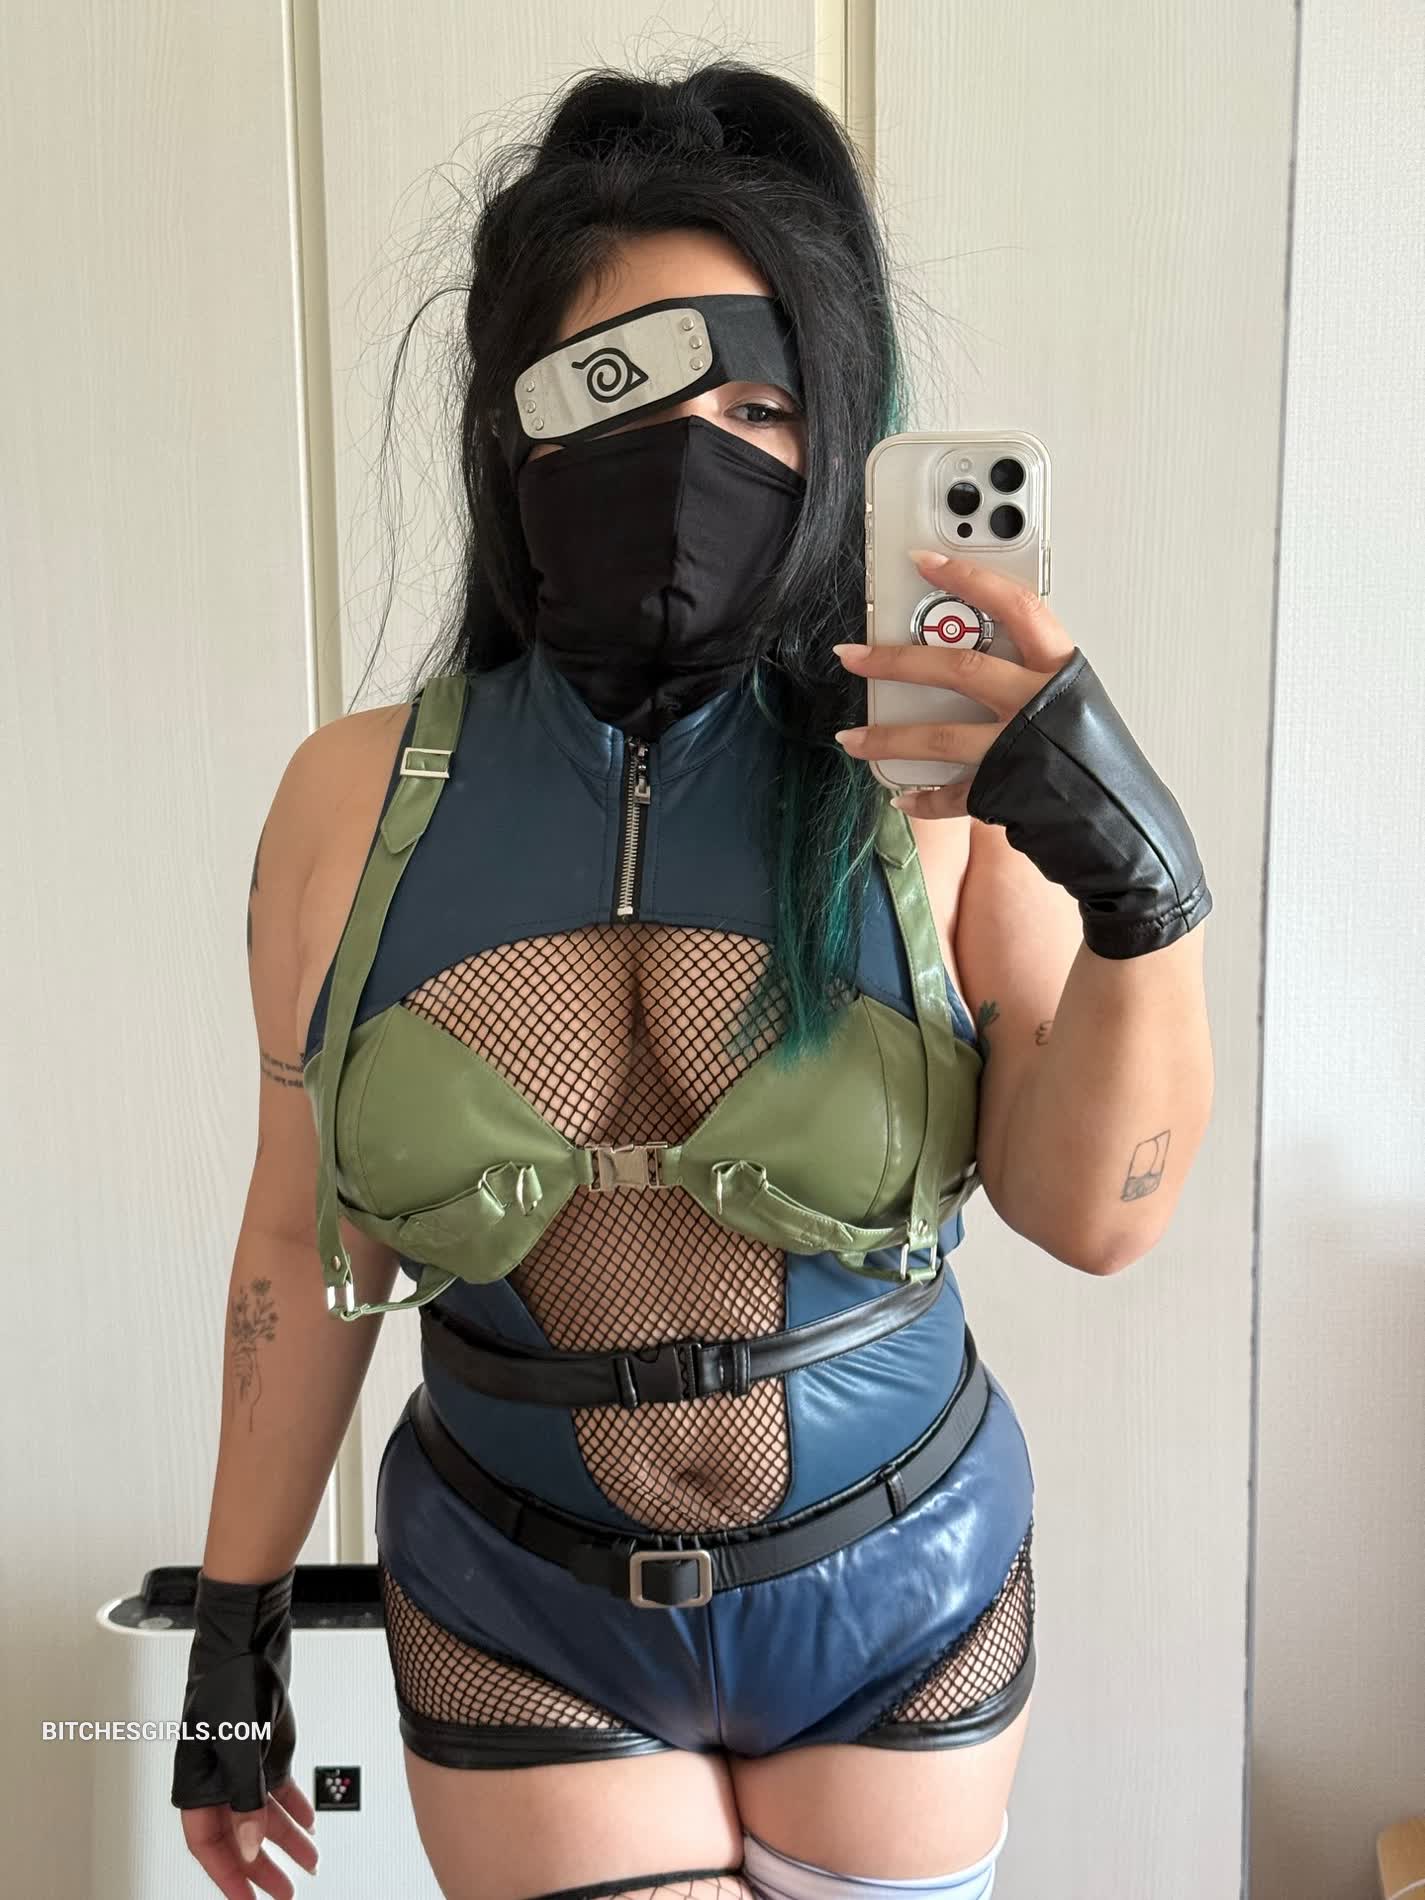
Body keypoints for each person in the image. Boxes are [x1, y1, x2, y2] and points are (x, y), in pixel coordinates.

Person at [170, 59, 1213, 1900]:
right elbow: (295, 1241)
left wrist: (1137, 888)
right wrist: (231, 1628)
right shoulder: (355, 800)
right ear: (509, 424)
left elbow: (1096, 1219)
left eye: (758, 402)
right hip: (519, 1610)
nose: (693, 452)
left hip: (905, 1598)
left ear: (841, 431)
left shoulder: (934, 788)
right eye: (617, 389)